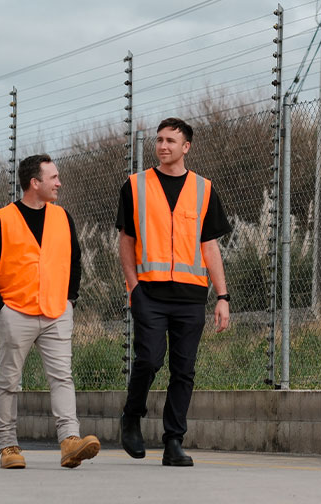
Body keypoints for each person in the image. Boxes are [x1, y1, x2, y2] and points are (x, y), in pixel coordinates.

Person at [0, 153, 101, 470]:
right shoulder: (1, 220)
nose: (59, 182)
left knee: (62, 378)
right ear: (34, 182)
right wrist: (0, 310)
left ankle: (70, 441)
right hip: (16, 313)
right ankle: (8, 447)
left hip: (57, 312)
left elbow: (74, 261)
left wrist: (70, 300)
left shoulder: (62, 217)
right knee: (8, 383)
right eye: (53, 177)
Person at [116, 117, 231, 467]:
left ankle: (173, 441)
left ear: (186, 147)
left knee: (184, 371)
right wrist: (134, 287)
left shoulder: (203, 189)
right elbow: (125, 241)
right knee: (149, 359)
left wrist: (222, 297)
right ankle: (131, 417)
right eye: (159, 140)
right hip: (149, 293)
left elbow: (209, 246)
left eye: (171, 141)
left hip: (191, 296)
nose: (163, 146)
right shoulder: (134, 186)